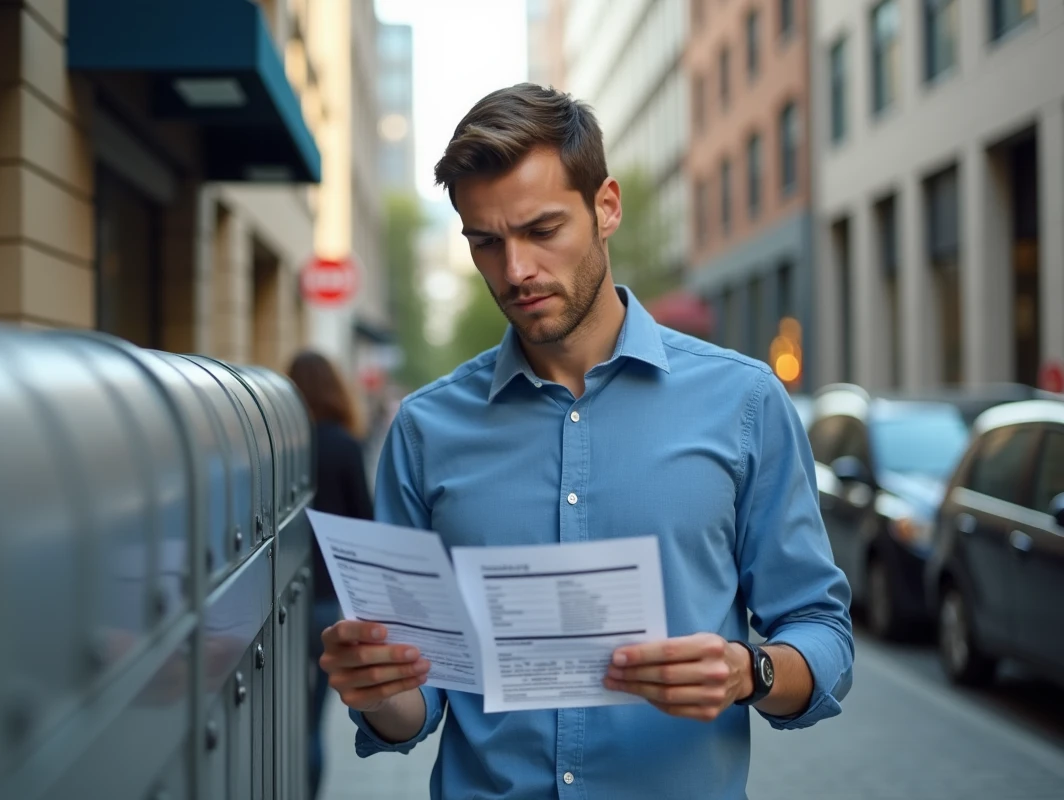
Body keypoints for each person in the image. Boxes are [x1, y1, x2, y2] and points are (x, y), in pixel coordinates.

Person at [317, 84, 854, 799]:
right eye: (486, 242)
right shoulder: (424, 430)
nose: (515, 271)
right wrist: (377, 689)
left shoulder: (746, 402)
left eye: (542, 230)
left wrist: (746, 672)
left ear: (606, 206)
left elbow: (821, 630)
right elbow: (420, 705)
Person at [287, 350, 374, 799]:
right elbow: (364, 521)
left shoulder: (283, 444)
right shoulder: (343, 443)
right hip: (325, 596)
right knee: (311, 717)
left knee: (280, 711)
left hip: (278, 598)